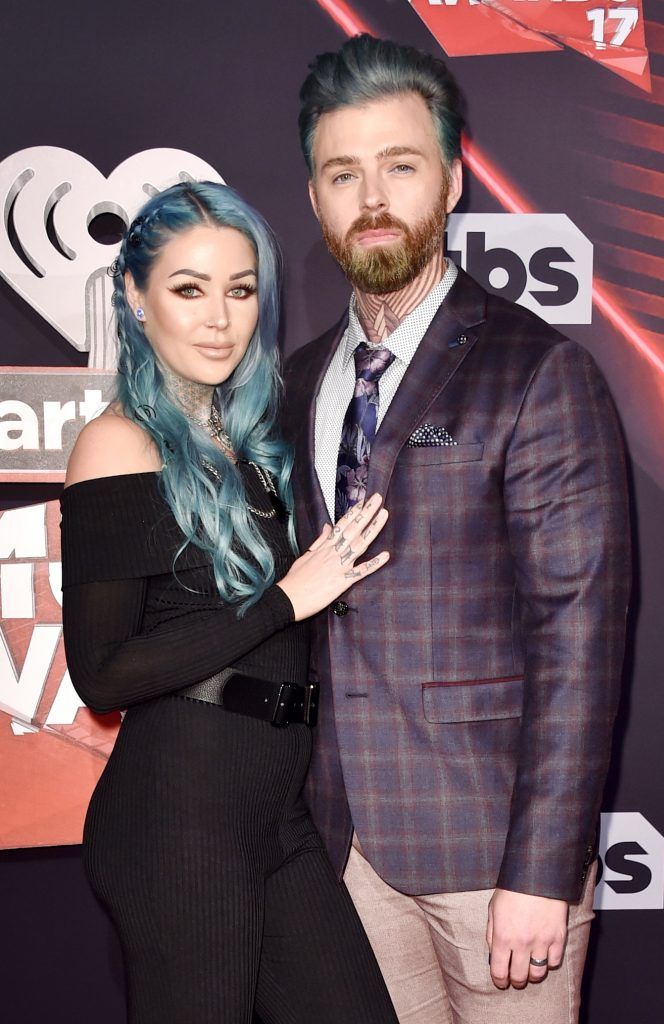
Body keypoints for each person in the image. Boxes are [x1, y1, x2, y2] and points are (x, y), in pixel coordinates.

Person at [282, 35, 631, 1024]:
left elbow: (579, 635)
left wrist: (542, 870)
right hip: (341, 849)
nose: (373, 196)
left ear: (452, 178)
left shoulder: (534, 371)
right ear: (315, 198)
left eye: (401, 164)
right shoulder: (301, 378)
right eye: (343, 173)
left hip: (493, 864)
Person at [60, 180, 399, 1024]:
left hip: (271, 812)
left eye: (239, 290)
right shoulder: (117, 443)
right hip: (178, 818)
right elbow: (102, 674)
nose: (219, 317)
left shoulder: (251, 441)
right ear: (136, 299)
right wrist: (285, 601)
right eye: (188, 288)